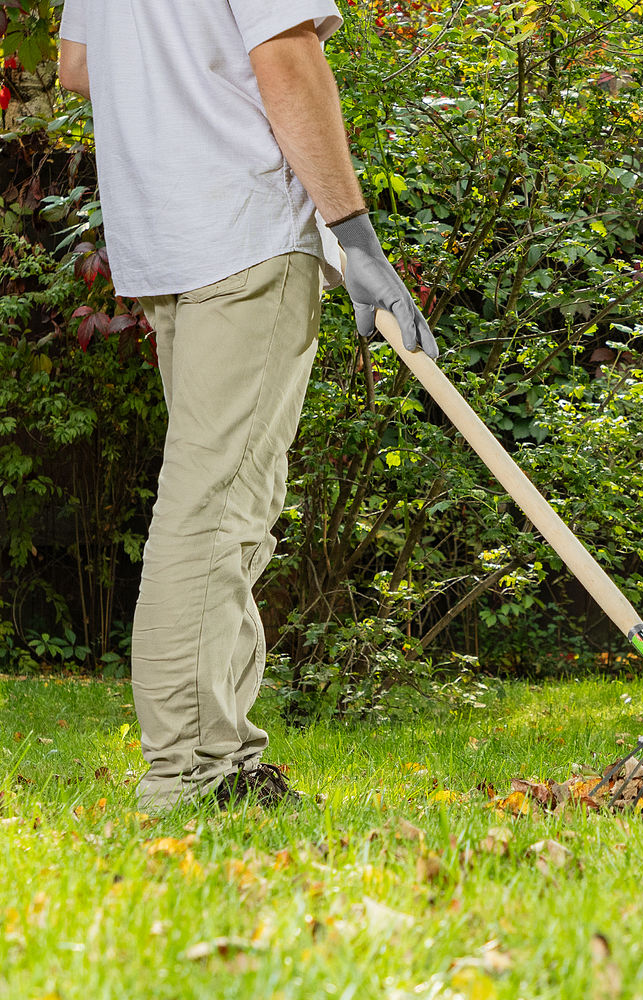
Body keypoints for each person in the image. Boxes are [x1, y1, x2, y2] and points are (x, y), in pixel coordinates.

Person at [58, 1, 438, 812]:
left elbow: (79, 65)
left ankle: (223, 756)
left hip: (164, 241)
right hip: (242, 230)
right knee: (214, 514)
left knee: (225, 510)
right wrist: (357, 239)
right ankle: (189, 776)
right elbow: (287, 59)